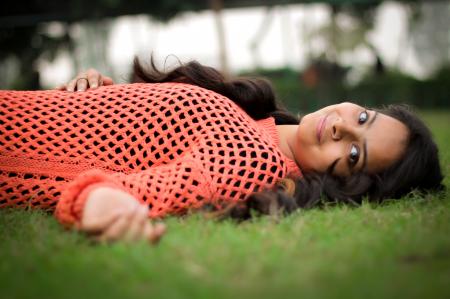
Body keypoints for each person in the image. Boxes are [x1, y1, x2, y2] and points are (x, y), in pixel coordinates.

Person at [0, 58, 443, 243]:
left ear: (347, 185)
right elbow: (136, 137)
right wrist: (95, 94)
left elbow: (136, 189)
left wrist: (102, 199)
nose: (343, 126)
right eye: (363, 117)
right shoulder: (257, 118)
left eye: (353, 155)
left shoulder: (254, 162)